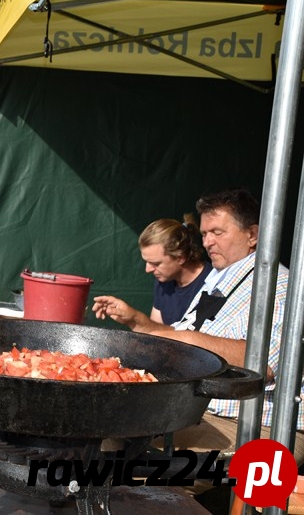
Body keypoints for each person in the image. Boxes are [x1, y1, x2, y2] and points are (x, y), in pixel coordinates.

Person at [92, 188, 304, 463]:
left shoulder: (277, 285)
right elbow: (181, 334)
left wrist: (192, 342)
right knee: (104, 429)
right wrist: (136, 321)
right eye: (204, 234)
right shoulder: (220, 280)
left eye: (218, 232)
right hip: (200, 411)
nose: (207, 242)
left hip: (257, 425)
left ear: (252, 235)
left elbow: (264, 365)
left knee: (145, 473)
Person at [139, 214, 212, 325]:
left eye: (155, 263)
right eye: (146, 262)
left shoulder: (212, 285)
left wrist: (135, 319)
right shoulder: (163, 282)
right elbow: (155, 334)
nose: (148, 269)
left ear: (180, 258)